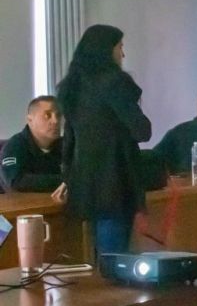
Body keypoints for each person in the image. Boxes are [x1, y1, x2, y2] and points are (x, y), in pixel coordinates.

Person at [55, 24, 152, 256]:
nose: (123, 54)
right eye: (120, 47)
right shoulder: (114, 83)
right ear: (106, 50)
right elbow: (142, 131)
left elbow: (69, 140)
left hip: (86, 185)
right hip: (116, 182)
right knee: (115, 260)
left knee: (100, 258)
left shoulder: (73, 86)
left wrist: (67, 178)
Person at [0, 96, 64, 194]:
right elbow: (16, 181)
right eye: (47, 115)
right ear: (30, 120)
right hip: (20, 202)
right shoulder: (15, 146)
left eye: (58, 115)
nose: (55, 121)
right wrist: (66, 180)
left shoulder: (66, 145)